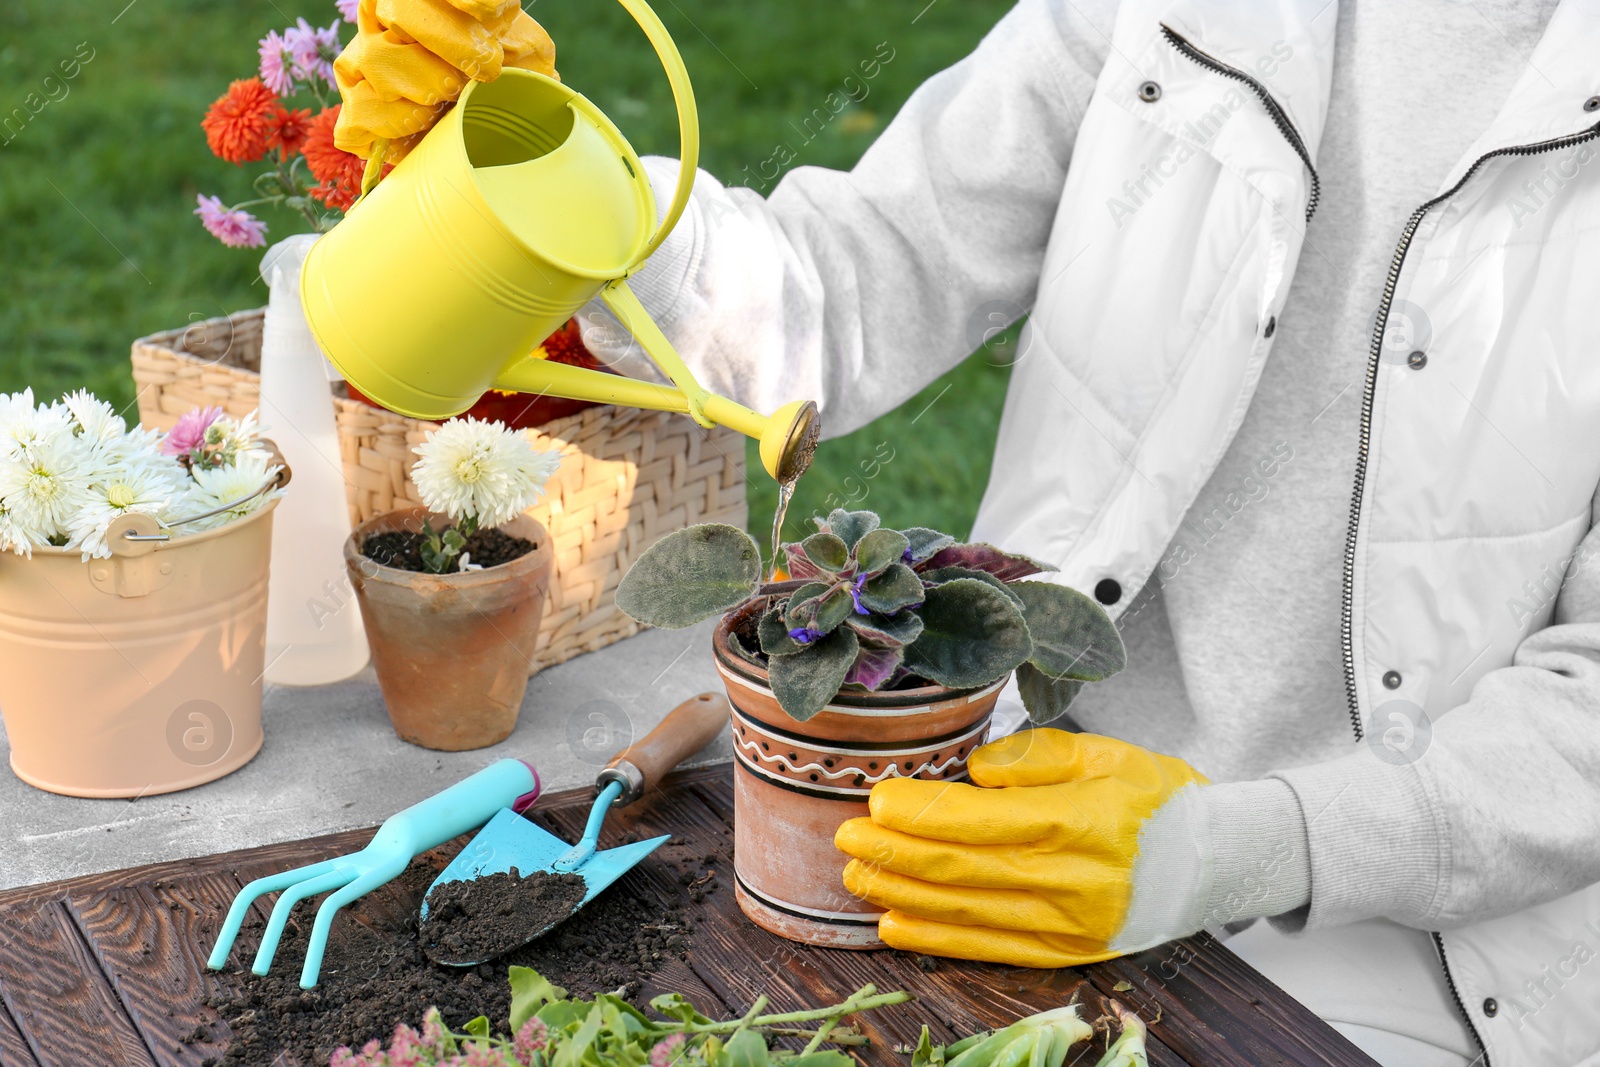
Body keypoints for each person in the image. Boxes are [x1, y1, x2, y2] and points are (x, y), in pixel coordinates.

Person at [572, 2, 1600, 1064]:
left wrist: (1228, 852)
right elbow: (861, 269)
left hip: (1396, 954)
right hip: (1010, 821)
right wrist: (567, 188)